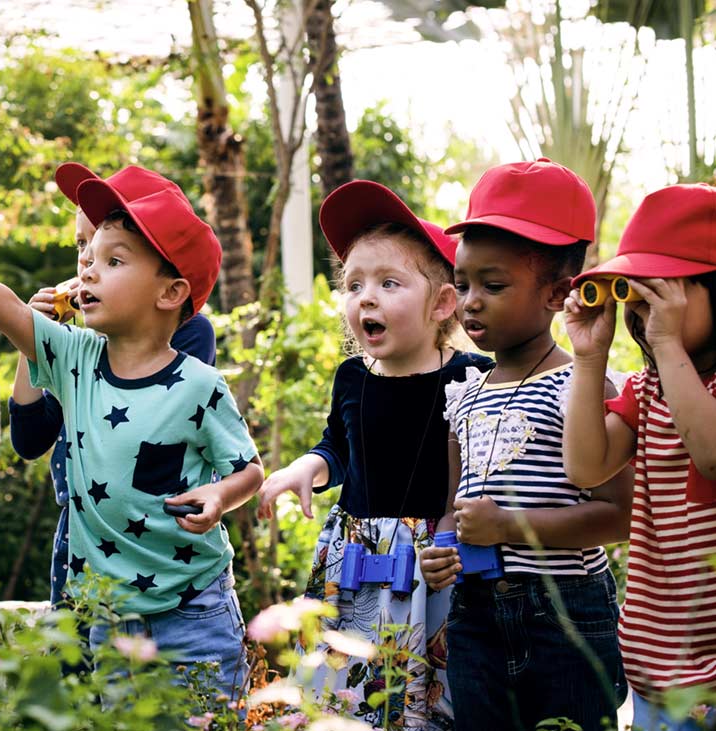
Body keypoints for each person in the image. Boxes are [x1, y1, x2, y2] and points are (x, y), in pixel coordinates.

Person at [0, 164, 264, 708]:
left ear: (171, 292)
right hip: (104, 610)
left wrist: (220, 495)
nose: (89, 270)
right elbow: (3, 306)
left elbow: (249, 469)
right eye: (89, 255)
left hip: (193, 608)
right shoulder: (74, 355)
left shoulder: (199, 383)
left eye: (113, 260)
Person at [257, 180, 488, 729]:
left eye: (389, 282)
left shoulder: (469, 376)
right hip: (353, 564)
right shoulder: (353, 376)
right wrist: (306, 467)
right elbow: (339, 444)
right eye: (354, 283)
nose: (366, 297)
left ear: (442, 303)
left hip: (434, 564)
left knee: (429, 701)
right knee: (345, 696)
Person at [420, 159, 630, 731]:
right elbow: (453, 501)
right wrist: (442, 549)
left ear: (558, 293)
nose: (470, 302)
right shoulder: (464, 392)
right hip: (474, 614)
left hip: (563, 612)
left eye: (494, 286)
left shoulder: (580, 387)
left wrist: (509, 526)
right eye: (462, 285)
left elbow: (616, 516)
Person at [8, 162, 216, 612]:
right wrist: (34, 340)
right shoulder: (76, 344)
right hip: (82, 531)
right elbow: (28, 440)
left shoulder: (191, 334)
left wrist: (86, 341)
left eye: (109, 254)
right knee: (80, 670)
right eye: (82, 245)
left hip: (156, 545)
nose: (86, 261)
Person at [562, 184, 716, 731]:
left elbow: (710, 454)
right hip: (654, 667)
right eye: (636, 299)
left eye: (661, 296)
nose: (645, 317)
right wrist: (588, 355)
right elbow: (586, 466)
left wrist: (670, 345)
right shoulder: (647, 388)